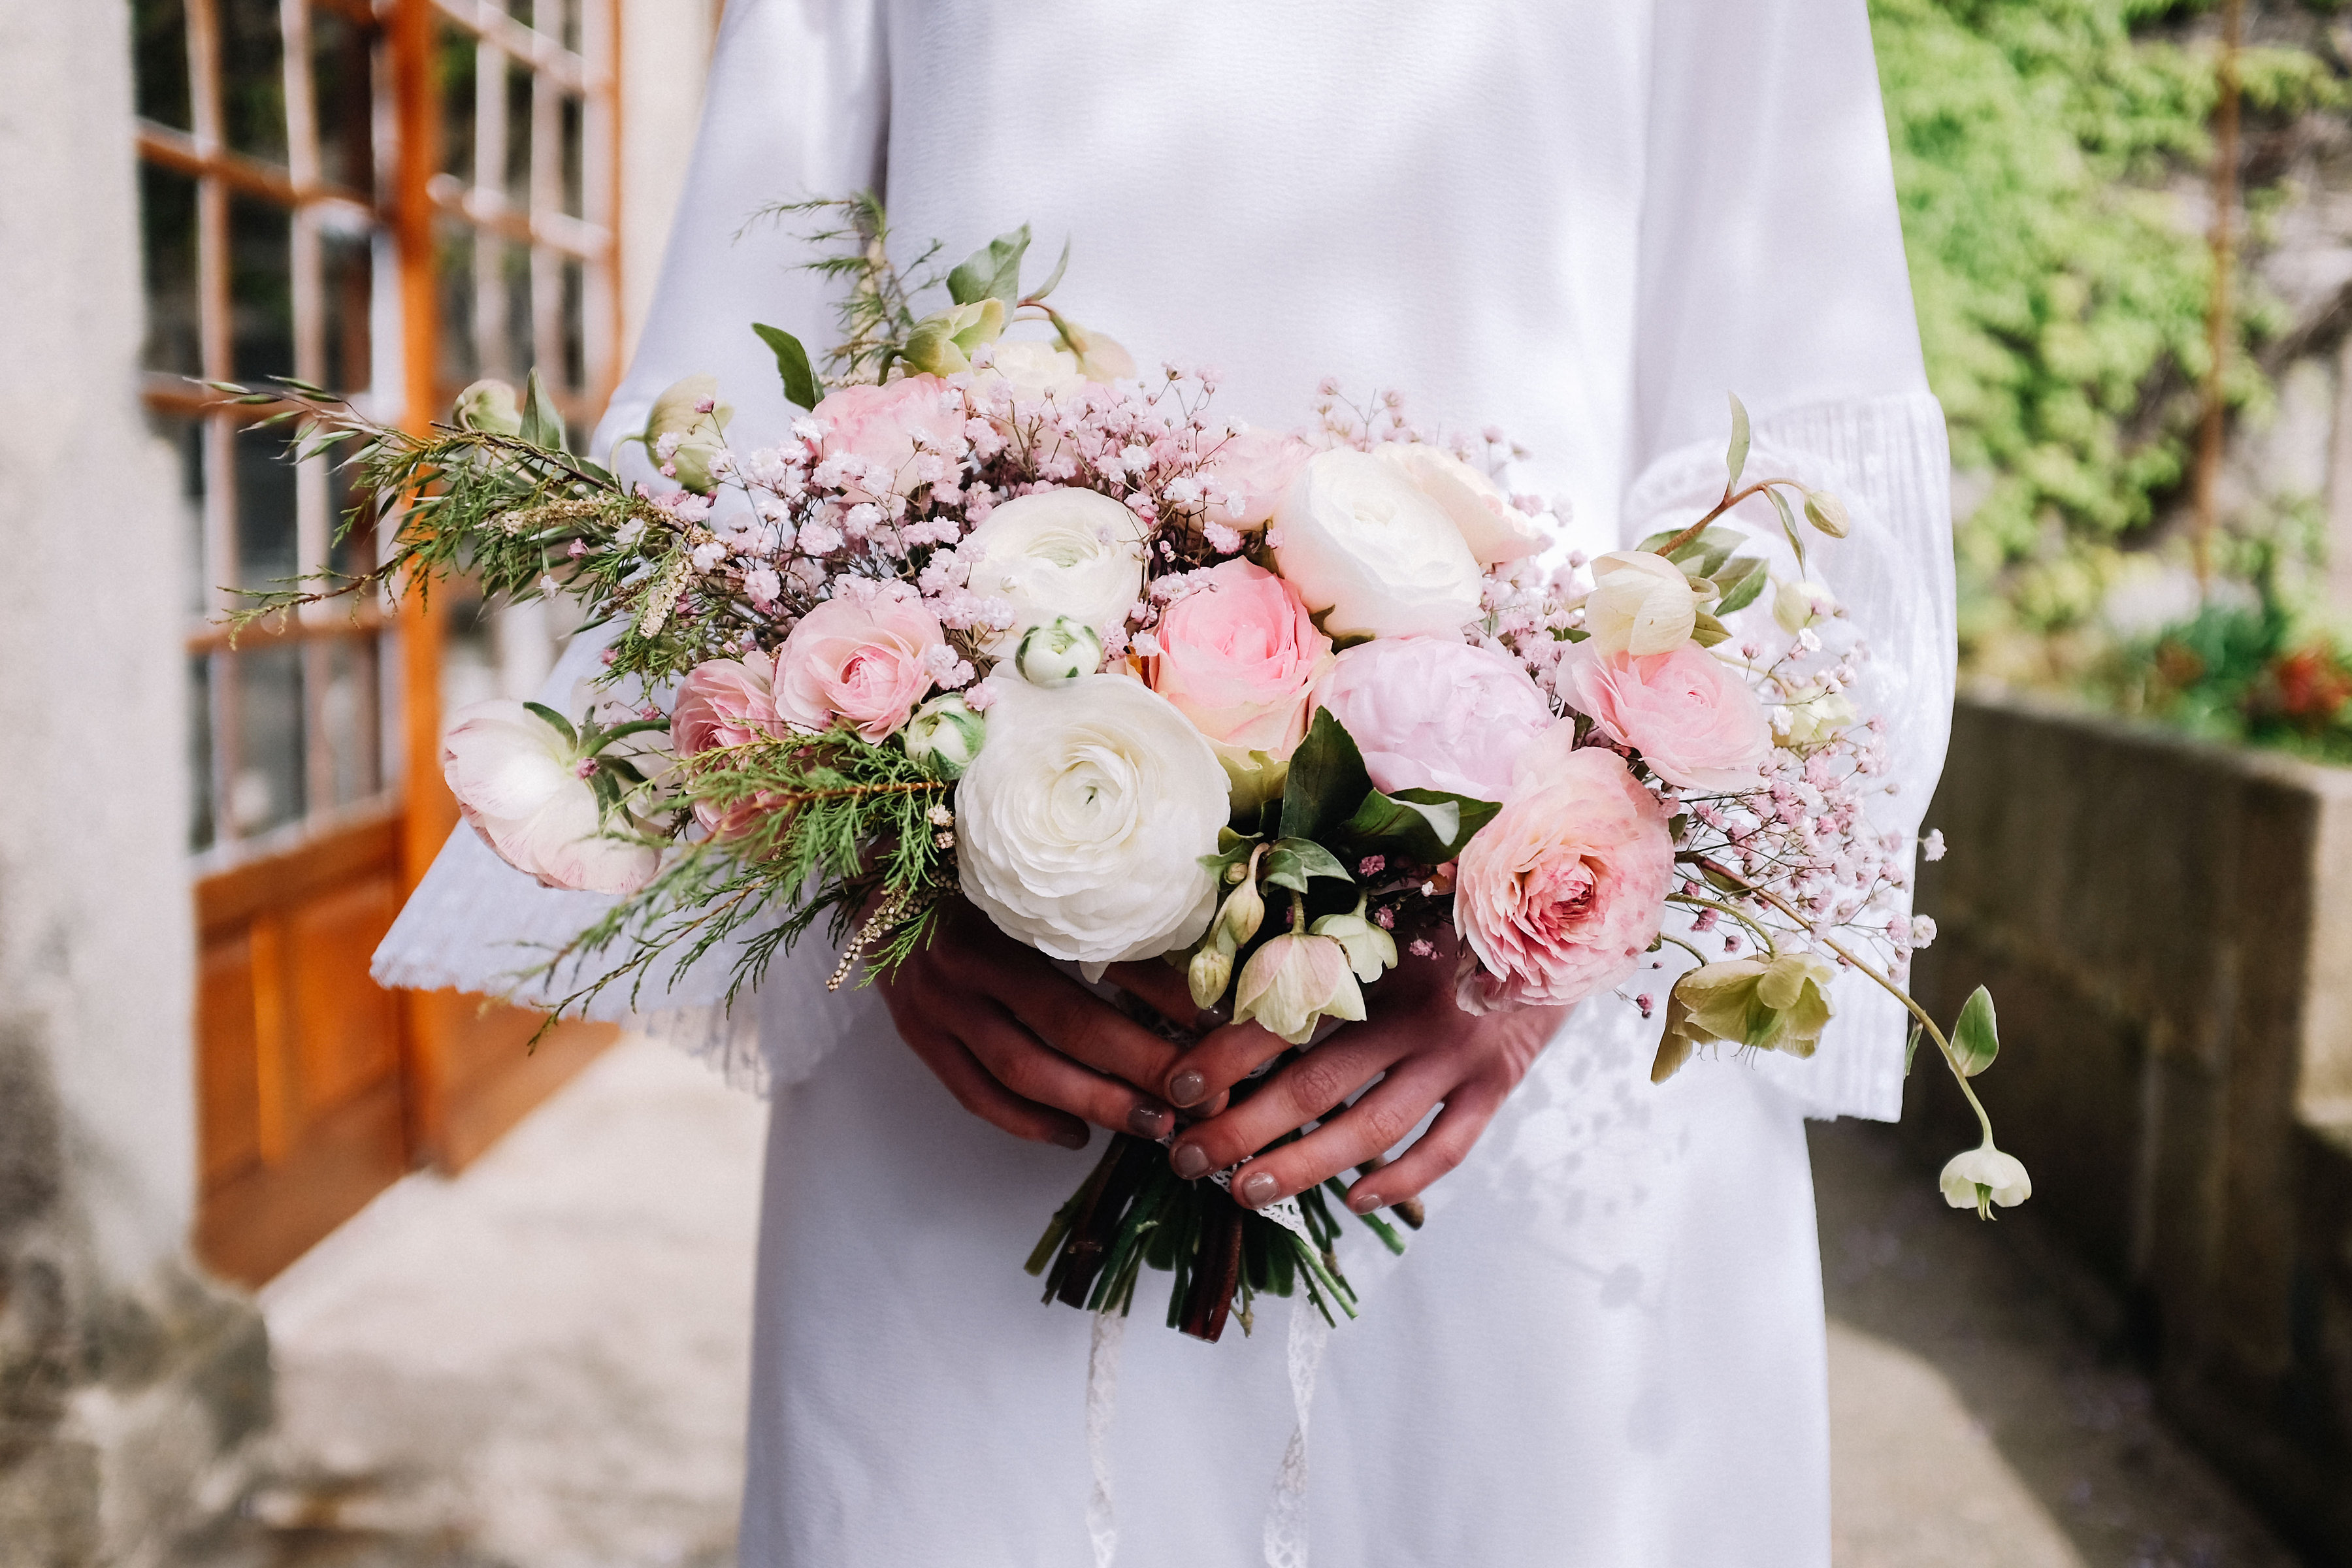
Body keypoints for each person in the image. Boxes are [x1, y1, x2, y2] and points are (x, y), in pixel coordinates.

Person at [377, 1, 1957, 1562]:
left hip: (1519, 1072)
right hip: (973, 1035)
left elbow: (1802, 428)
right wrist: (869, 875)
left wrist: (1545, 955)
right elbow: (726, 377)